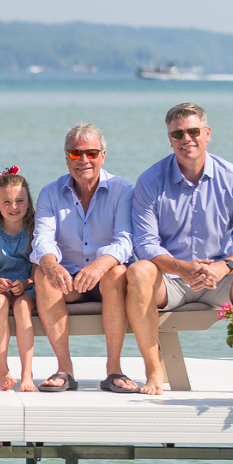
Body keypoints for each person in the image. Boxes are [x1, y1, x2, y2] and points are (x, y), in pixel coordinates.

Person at [128, 102, 233, 395]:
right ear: (169, 139)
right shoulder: (149, 181)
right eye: (178, 134)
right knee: (138, 270)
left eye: (193, 131)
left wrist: (222, 267)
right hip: (170, 281)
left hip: (218, 278)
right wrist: (180, 268)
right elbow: (144, 243)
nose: (187, 139)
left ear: (207, 133)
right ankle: (154, 371)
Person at [31, 124, 137, 393]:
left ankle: (114, 371)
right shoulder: (50, 193)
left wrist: (100, 265)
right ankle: (64, 370)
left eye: (91, 153)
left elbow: (126, 240)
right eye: (76, 153)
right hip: (69, 282)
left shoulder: (122, 189)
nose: (84, 160)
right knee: (42, 273)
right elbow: (42, 239)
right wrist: (52, 264)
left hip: (107, 281)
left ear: (103, 155)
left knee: (116, 272)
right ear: (66, 157)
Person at [0, 170, 37, 391]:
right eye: (7, 202)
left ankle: (26, 373)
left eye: (19, 201)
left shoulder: (33, 229)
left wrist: (26, 284)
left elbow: (36, 271)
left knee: (22, 307)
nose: (14, 207)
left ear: (28, 202)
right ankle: (3, 369)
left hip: (28, 286)